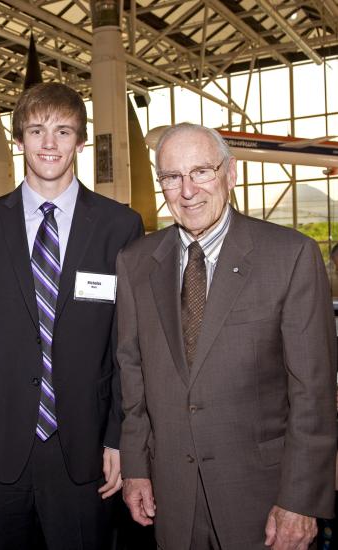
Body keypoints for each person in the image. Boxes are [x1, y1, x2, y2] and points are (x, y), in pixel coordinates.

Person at [116, 122, 337, 550]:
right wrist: (136, 468)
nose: (187, 190)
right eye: (172, 177)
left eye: (201, 171)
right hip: (172, 497)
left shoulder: (289, 256)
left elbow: (313, 394)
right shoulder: (136, 262)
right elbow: (133, 376)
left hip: (262, 500)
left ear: (230, 173)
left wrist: (300, 500)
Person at [0, 82, 144, 549]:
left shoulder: (120, 225)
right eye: (37, 131)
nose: (50, 144)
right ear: (19, 141)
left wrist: (119, 439)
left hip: (85, 444)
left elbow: (128, 347)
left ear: (81, 141)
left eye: (63, 131)